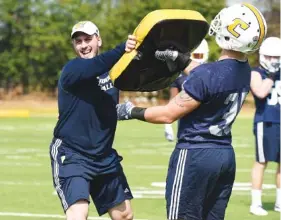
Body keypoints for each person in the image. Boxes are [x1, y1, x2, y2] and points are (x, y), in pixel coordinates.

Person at [116, 3, 267, 220]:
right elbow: (212, 76)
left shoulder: (206, 75)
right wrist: (182, 59)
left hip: (195, 155)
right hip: (224, 156)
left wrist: (129, 111)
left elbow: (168, 114)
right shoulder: (245, 71)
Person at [49, 20, 137, 220]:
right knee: (79, 214)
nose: (83, 45)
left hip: (104, 155)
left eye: (88, 39)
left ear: (99, 40)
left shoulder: (114, 71)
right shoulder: (74, 68)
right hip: (72, 154)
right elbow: (97, 65)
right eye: (78, 41)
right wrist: (122, 48)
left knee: (124, 215)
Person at [249, 37, 281, 216]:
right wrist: (271, 75)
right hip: (266, 122)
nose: (273, 61)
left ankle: (279, 202)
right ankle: (256, 203)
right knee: (262, 162)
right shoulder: (256, 73)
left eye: (276, 57)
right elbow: (260, 92)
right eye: (269, 57)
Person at [164, 39, 209, 142]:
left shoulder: (212, 72)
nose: (197, 60)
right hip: (186, 125)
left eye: (199, 56)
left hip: (207, 123)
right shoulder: (179, 75)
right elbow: (172, 100)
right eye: (195, 56)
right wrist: (168, 125)